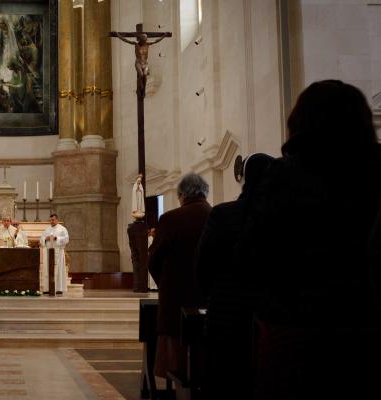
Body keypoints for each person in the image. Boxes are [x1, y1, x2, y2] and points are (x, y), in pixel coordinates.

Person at [236, 80, 381, 399]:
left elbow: (252, 254)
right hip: (368, 328)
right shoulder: (374, 173)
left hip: (295, 331)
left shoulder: (284, 176)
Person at [194, 153, 274, 400]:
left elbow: (202, 265)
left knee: (223, 381)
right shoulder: (278, 217)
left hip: (224, 314)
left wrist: (213, 298)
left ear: (244, 179)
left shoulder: (223, 214)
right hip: (267, 315)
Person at [147, 173, 211, 380]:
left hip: (176, 300)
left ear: (181, 196)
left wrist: (166, 284)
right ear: (205, 193)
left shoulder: (170, 219)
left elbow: (153, 260)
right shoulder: (216, 215)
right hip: (207, 300)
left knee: (177, 363)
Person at [40, 213, 69, 294]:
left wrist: (56, 238)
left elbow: (66, 239)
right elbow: (41, 240)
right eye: (50, 220)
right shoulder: (47, 229)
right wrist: (46, 239)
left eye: (53, 220)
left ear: (57, 220)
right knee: (47, 270)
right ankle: (47, 289)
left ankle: (58, 289)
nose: (52, 221)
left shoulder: (62, 229)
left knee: (58, 270)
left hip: (58, 252)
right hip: (48, 252)